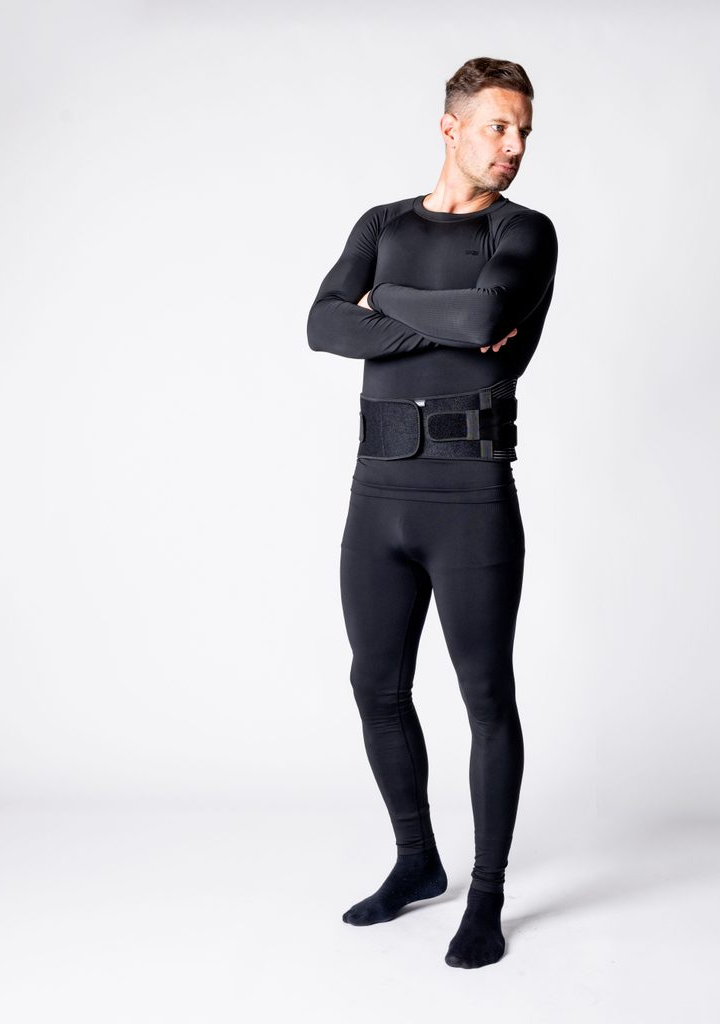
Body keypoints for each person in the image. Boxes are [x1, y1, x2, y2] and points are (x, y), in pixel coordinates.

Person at [306, 56, 558, 969]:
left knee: (486, 698)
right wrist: (437, 316)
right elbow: (323, 324)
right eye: (498, 126)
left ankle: (486, 896)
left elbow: (487, 318)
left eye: (523, 131)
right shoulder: (382, 224)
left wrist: (386, 304)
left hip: (471, 496)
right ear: (451, 127)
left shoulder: (523, 231)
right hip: (377, 495)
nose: (514, 146)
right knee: (375, 686)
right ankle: (417, 862)